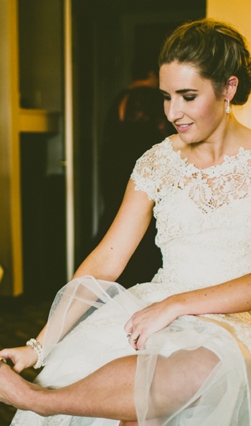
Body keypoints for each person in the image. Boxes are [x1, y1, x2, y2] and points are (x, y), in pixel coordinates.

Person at [0, 18, 251, 426]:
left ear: (228, 88)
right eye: (167, 96)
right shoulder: (155, 161)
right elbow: (107, 259)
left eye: (188, 97)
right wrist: (38, 346)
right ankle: (46, 392)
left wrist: (175, 306)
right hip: (157, 308)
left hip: (239, 322)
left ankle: (41, 402)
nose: (174, 111)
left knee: (206, 361)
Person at [95, 51, 175, 287]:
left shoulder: (121, 97)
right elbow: (164, 136)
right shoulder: (146, 97)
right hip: (138, 168)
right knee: (143, 228)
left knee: (117, 221)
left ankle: (116, 282)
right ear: (152, 73)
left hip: (114, 169)